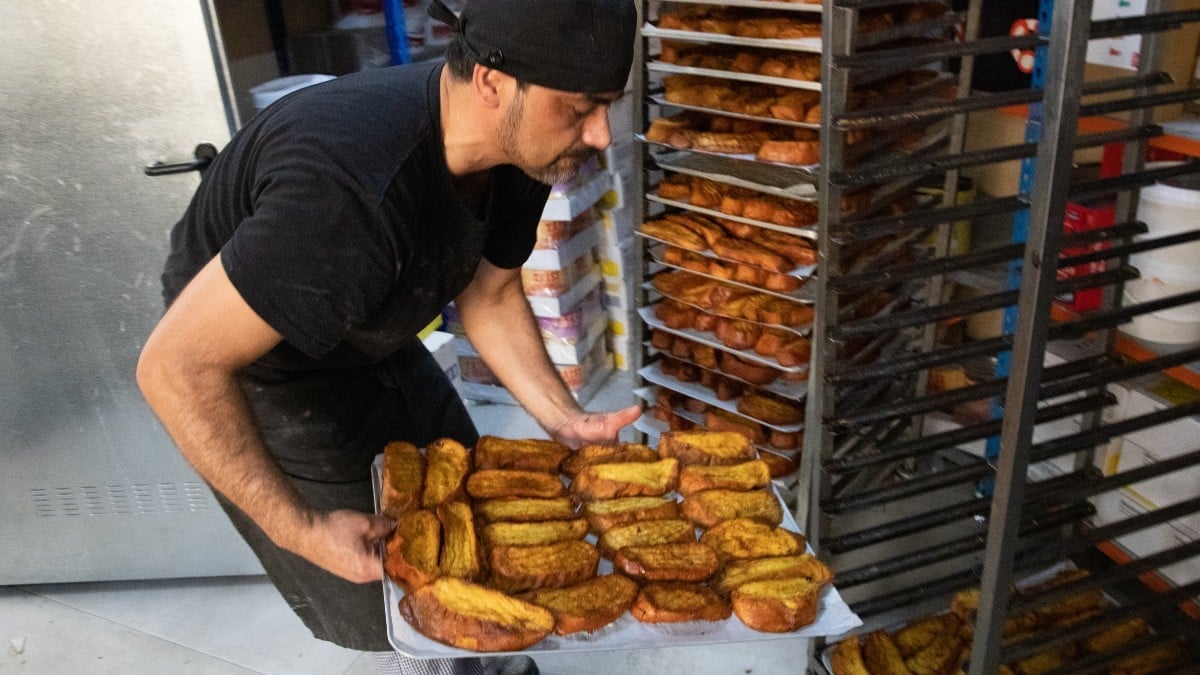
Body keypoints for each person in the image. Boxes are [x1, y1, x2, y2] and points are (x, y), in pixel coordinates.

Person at [136, 0, 639, 672]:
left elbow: (488, 291)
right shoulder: (350, 196)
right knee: (394, 579)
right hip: (253, 353)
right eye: (581, 108)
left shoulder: (519, 145)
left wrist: (563, 417)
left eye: (608, 105)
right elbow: (174, 368)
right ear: (492, 82)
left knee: (464, 505)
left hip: (365, 310)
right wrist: (303, 529)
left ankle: (493, 655)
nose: (602, 133)